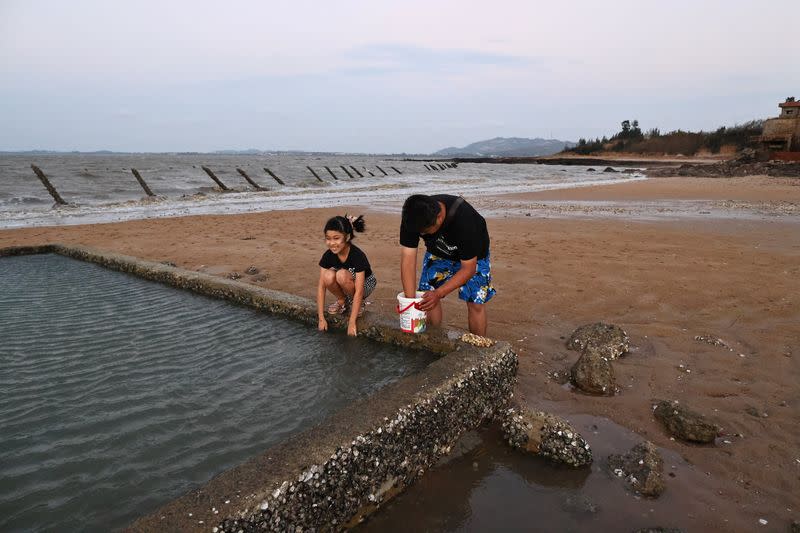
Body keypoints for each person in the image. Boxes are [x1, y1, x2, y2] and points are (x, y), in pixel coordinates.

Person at [400, 194, 495, 336]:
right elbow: (407, 260)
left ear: (439, 218)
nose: (421, 234)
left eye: (424, 232)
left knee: (475, 302)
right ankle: (434, 339)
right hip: (439, 253)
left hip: (473, 257)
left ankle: (478, 346)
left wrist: (438, 293)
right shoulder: (413, 218)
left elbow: (468, 269)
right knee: (427, 296)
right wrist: (410, 302)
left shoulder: (465, 220)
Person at [317, 214, 377, 336]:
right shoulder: (328, 255)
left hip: (366, 283)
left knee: (341, 275)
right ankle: (342, 300)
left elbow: (360, 290)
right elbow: (321, 287)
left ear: (347, 237)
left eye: (336, 238)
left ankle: (359, 304)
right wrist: (321, 318)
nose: (332, 243)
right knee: (327, 276)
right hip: (348, 281)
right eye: (328, 238)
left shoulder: (357, 255)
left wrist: (351, 322)